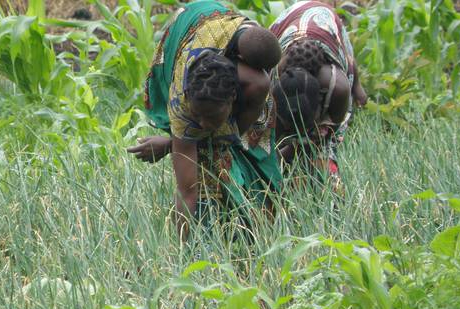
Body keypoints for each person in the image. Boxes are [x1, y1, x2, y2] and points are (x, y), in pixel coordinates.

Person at [129, 0, 282, 239]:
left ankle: (254, 228)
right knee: (196, 160)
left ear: (234, 97)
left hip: (219, 23)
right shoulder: (182, 105)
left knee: (248, 151)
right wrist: (182, 250)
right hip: (186, 29)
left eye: (211, 117)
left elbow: (234, 137)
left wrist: (170, 145)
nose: (202, 124)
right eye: (197, 117)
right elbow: (186, 192)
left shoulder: (257, 79)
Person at [269, 0, 367, 191]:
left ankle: (359, 87)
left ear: (320, 101)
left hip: (325, 23)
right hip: (290, 21)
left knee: (321, 156)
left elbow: (329, 134)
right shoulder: (274, 76)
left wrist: (299, 149)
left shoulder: (337, 86)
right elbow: (270, 136)